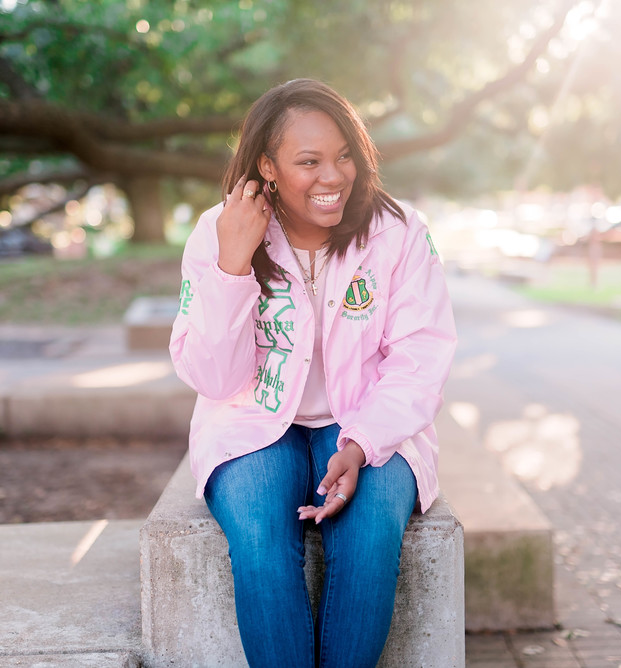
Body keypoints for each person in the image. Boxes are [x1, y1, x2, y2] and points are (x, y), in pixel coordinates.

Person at [169, 78, 457, 667]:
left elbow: (420, 357)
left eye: (345, 155)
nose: (334, 177)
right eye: (309, 161)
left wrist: (362, 443)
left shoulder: (398, 232)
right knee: (259, 546)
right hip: (252, 424)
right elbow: (214, 379)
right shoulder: (216, 232)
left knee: (372, 541)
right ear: (267, 167)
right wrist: (231, 265)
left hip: (368, 420)